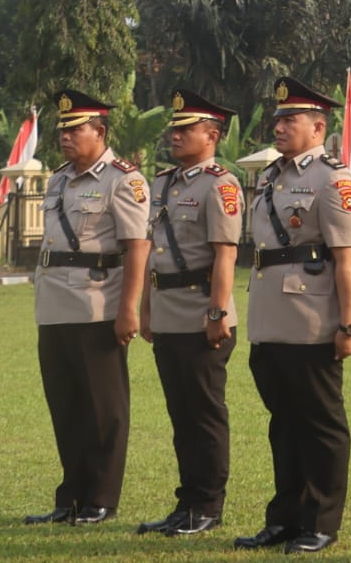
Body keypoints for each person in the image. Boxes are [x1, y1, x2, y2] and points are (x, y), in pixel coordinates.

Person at [234, 77, 351, 555]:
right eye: (278, 119)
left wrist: (348, 325)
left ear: (318, 126)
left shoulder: (333, 178)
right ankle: (285, 518)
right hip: (270, 318)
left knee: (320, 425)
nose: (280, 126)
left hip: (312, 320)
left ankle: (321, 521)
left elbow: (347, 258)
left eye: (291, 119)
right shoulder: (270, 178)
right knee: (282, 422)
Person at [23, 90, 150, 527]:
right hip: (54, 306)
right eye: (63, 129)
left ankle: (100, 498)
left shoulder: (123, 179)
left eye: (76, 129)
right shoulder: (58, 180)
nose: (66, 137)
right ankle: (70, 496)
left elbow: (138, 248)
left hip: (98, 305)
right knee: (67, 406)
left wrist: (129, 309)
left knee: (103, 410)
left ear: (100, 131)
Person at [136, 90, 244, 537]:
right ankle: (187, 502)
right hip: (167, 312)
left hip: (203, 313)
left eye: (186, 129)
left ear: (212, 135)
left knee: (204, 414)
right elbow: (151, 254)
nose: (175, 135)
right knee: (180, 415)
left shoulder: (221, 184)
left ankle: (208, 505)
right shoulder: (162, 183)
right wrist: (144, 309)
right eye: (174, 128)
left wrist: (217, 311)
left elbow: (225, 255)